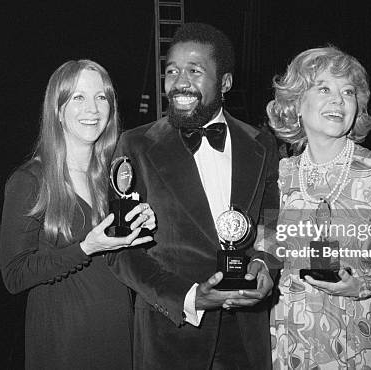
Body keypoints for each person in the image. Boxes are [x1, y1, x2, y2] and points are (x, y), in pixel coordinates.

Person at [107, 23, 280, 369]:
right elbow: (120, 252)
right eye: (171, 71)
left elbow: (273, 221)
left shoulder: (261, 144)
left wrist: (265, 264)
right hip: (170, 337)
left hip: (246, 340)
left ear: (225, 83)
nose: (180, 82)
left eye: (194, 71)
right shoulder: (135, 145)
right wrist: (188, 297)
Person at [266, 46, 371, 369]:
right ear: (295, 103)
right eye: (324, 88)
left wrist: (363, 283)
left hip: (359, 333)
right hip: (291, 334)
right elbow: (270, 247)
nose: (338, 100)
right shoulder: (280, 174)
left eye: (347, 92)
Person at [0, 60, 156, 370]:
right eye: (79, 97)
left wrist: (142, 231)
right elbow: (14, 276)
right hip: (64, 343)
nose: (93, 108)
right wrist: (85, 248)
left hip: (120, 335)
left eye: (101, 97)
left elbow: (120, 262)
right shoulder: (31, 180)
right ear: (58, 108)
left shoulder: (113, 178)